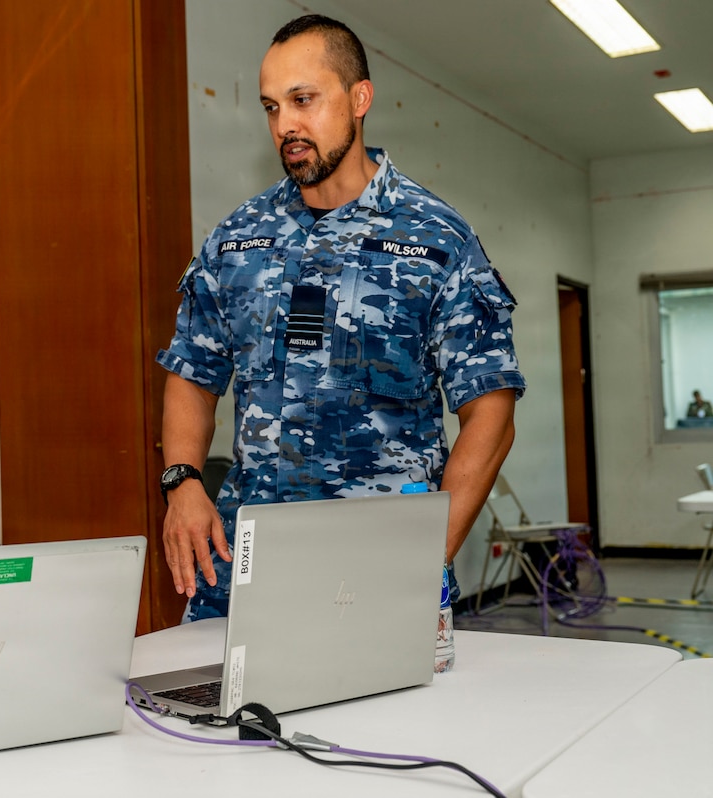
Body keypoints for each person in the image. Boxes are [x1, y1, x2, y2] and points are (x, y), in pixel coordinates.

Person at [156, 15, 525, 621]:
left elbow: (491, 413)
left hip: (376, 571)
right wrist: (182, 481)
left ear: (360, 98)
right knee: (216, 715)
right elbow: (192, 373)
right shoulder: (236, 239)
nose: (286, 125)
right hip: (244, 571)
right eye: (272, 107)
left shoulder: (436, 239)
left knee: (386, 719)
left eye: (304, 100)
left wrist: (425, 556)